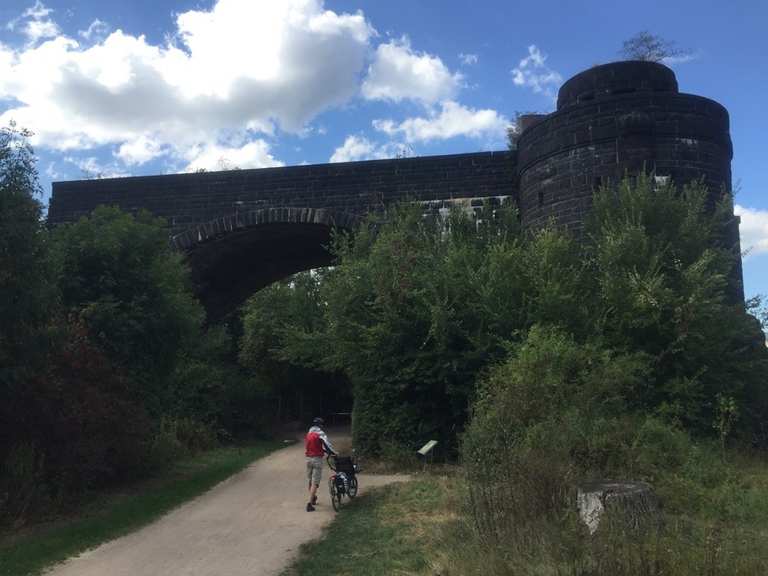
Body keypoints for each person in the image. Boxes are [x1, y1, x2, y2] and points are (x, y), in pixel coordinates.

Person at [305, 416, 336, 511]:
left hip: (308, 459)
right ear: (320, 425)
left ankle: (313, 497)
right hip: (317, 460)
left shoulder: (309, 433)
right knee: (315, 482)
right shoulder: (320, 433)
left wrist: (323, 451)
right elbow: (327, 445)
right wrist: (333, 453)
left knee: (311, 480)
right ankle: (310, 504)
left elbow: (316, 446)